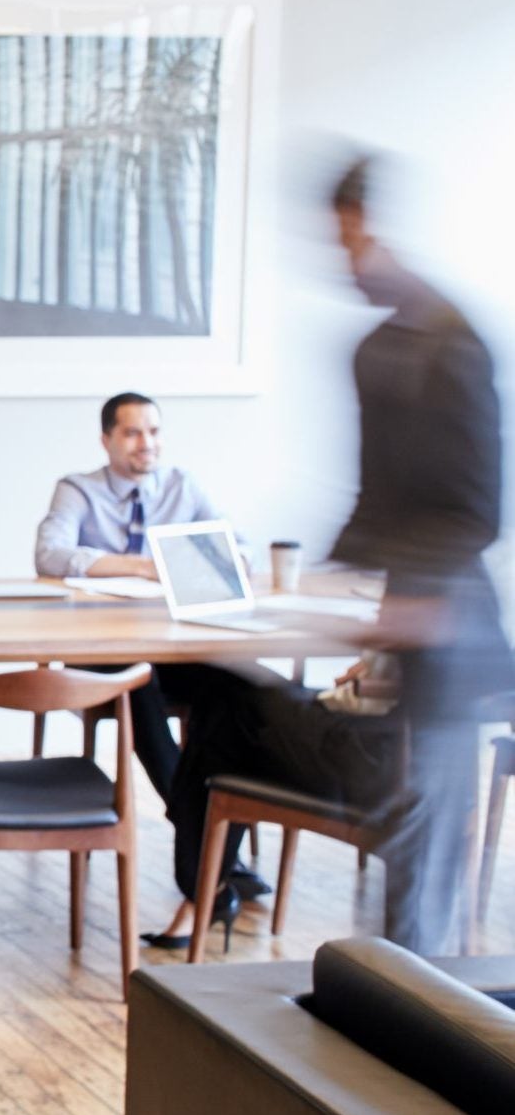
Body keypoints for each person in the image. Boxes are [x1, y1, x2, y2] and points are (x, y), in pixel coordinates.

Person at [319, 155, 511, 955]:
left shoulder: (457, 345)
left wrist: (416, 597)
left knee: (426, 815)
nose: (349, 265)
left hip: (454, 617)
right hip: (405, 607)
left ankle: (414, 999)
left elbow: (478, 508)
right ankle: (395, 989)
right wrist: (337, 580)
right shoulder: (371, 352)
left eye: (356, 244)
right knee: (404, 815)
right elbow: (374, 497)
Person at [33, 393, 248, 827]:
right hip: (100, 650)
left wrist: (226, 559)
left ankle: (222, 826)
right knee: (139, 682)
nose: (145, 443)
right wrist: (142, 566)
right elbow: (50, 555)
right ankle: (198, 828)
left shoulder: (181, 486)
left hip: (171, 646)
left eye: (153, 431)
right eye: (132, 433)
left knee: (233, 682)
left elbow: (237, 549)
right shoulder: (78, 489)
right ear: (106, 440)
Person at [143, 657, 404, 949]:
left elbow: (418, 677)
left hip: (368, 751)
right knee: (226, 687)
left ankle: (203, 888)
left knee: (230, 707)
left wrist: (373, 670)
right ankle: (204, 886)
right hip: (359, 724)